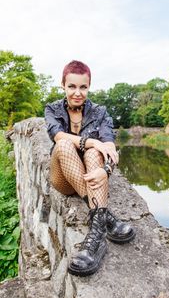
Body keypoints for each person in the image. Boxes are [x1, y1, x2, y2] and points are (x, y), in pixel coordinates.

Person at [45, 60, 135, 277]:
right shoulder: (52, 109)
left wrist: (106, 171)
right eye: (72, 86)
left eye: (83, 87)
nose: (77, 92)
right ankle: (107, 218)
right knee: (66, 143)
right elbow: (57, 136)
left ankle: (96, 235)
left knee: (97, 152)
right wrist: (92, 141)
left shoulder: (100, 112)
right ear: (63, 85)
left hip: (92, 175)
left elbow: (110, 148)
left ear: (89, 86)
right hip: (63, 177)